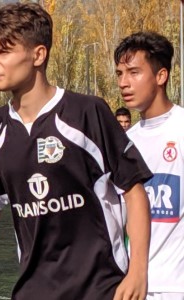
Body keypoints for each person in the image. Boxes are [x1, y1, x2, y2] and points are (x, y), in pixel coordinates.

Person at [0, 3, 152, 300]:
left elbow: (134, 192)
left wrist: (138, 272)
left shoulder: (87, 113)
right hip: (34, 292)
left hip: (101, 288)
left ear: (38, 55)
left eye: (3, 52)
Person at [115, 31, 184, 300]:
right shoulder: (124, 141)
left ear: (161, 76)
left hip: (176, 287)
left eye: (133, 72)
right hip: (131, 285)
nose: (124, 82)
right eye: (120, 73)